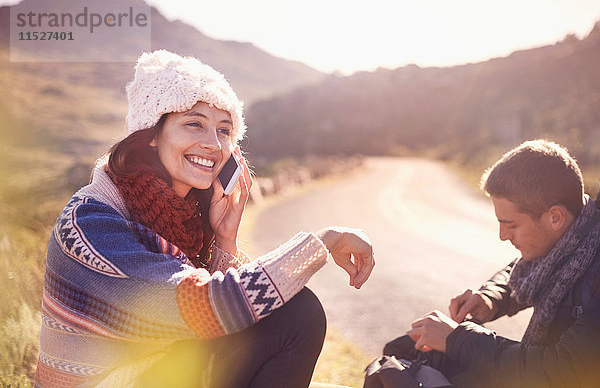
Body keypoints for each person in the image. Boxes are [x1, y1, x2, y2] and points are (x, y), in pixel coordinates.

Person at [34, 50, 375, 388]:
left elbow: (212, 322)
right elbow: (204, 307)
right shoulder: (92, 221)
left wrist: (225, 238)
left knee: (286, 314)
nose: (213, 144)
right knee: (296, 314)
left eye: (224, 130)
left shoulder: (181, 216)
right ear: (152, 134)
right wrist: (324, 242)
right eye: (194, 123)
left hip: (155, 371)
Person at [384, 140, 600, 388]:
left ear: (555, 217)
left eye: (511, 225)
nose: (502, 236)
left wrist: (457, 340)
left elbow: (563, 370)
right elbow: (526, 271)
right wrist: (490, 298)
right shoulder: (573, 237)